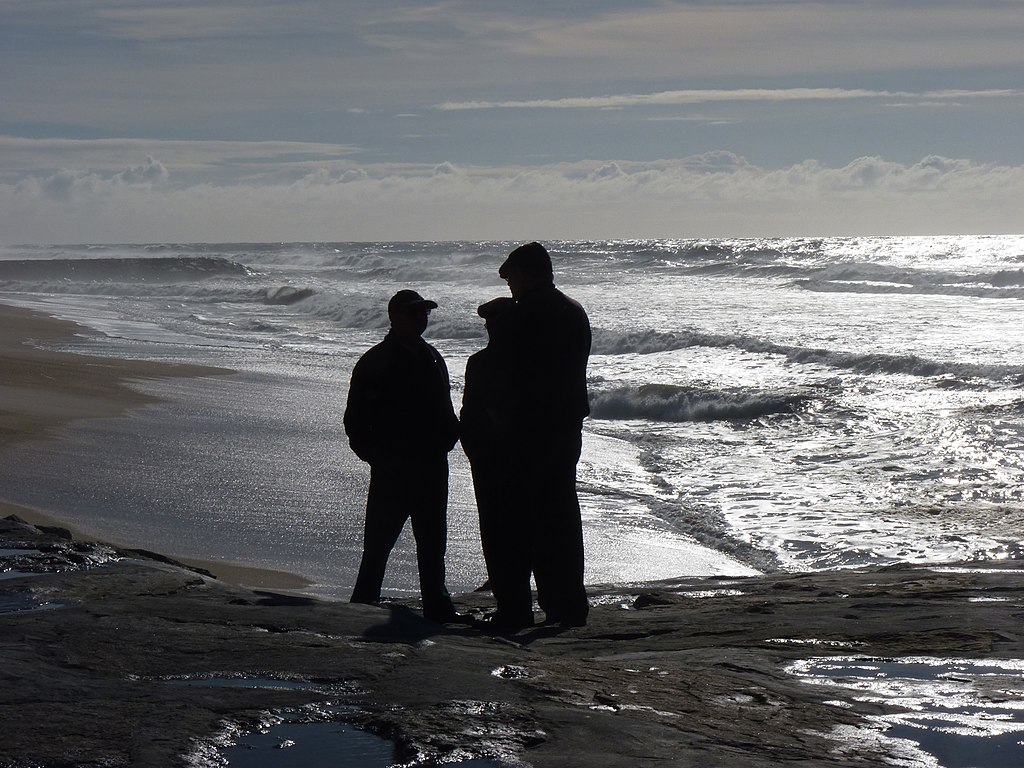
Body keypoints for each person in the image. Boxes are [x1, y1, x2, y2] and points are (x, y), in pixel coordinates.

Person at [343, 289, 462, 623]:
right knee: (379, 543)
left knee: (433, 542)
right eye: (412, 313)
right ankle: (362, 606)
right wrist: (377, 457)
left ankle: (437, 606)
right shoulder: (376, 360)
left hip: (431, 464)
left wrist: (447, 439)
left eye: (423, 313)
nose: (419, 318)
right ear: (393, 317)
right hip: (393, 468)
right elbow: (355, 420)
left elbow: (444, 408)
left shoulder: (432, 355)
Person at [495, 242, 592, 628]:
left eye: (512, 279)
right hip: (567, 426)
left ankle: (533, 605)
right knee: (562, 515)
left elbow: (512, 376)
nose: (510, 287)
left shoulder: (525, 315)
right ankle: (569, 603)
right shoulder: (573, 310)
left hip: (531, 430)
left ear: (527, 274)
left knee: (527, 520)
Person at [460, 297, 535, 630]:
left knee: (502, 534)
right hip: (506, 461)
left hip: (498, 462)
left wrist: (476, 450)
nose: (490, 328)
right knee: (513, 534)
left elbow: (470, 415)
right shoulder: (531, 364)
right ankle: (515, 605)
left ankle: (513, 606)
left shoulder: (483, 363)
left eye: (494, 323)